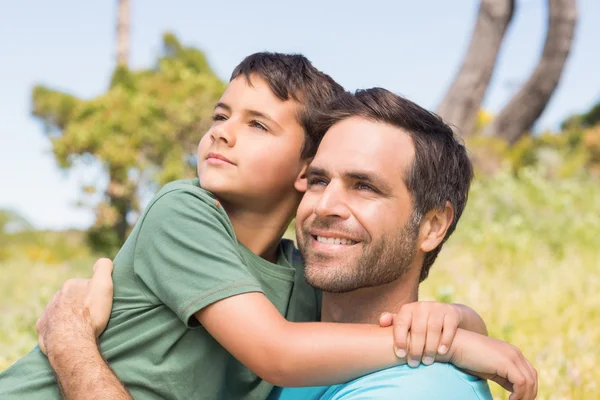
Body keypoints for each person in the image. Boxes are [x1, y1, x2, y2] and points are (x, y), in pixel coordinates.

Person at [0, 55, 536, 399]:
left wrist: (459, 321)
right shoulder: (184, 211)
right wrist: (455, 342)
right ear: (309, 179)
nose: (223, 135)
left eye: (257, 125)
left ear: (297, 169)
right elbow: (278, 351)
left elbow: (307, 345)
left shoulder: (305, 284)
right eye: (220, 116)